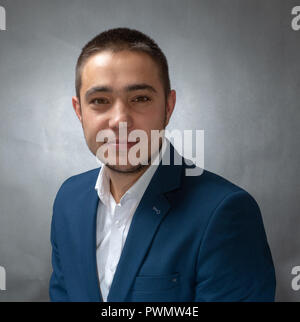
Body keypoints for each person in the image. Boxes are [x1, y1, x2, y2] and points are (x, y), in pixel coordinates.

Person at [49, 27, 276, 302]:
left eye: (140, 99)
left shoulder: (225, 212)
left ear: (168, 107)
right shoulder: (68, 200)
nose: (120, 120)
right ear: (79, 111)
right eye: (100, 101)